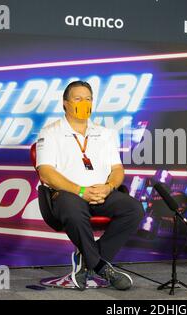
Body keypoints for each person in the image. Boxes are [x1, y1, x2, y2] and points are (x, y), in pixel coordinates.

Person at [36, 80, 144, 290]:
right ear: (65, 103)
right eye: (78, 98)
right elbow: (46, 173)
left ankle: (87, 262)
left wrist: (109, 186)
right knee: (72, 209)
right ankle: (103, 267)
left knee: (134, 209)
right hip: (69, 194)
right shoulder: (50, 132)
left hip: (101, 191)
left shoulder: (105, 133)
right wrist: (81, 191)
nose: (84, 103)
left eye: (88, 99)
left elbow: (117, 169)